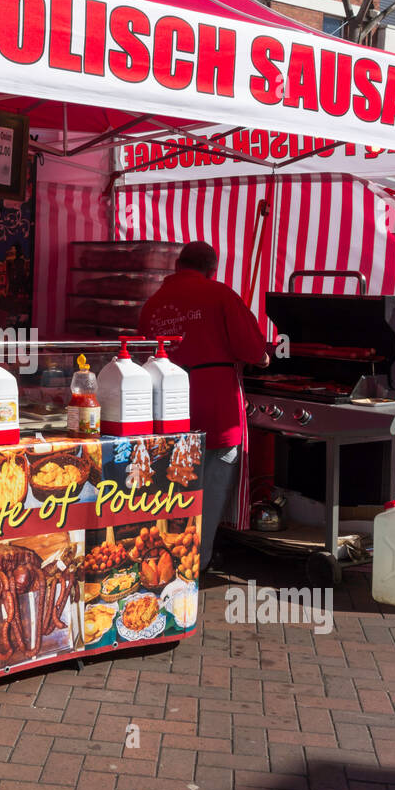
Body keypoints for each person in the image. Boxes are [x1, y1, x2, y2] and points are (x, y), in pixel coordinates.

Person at [139, 241, 269, 573]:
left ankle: (167, 557)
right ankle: (199, 561)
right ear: (212, 269)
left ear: (179, 265)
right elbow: (252, 348)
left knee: (172, 486)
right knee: (210, 487)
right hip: (214, 404)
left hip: (166, 407)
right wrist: (262, 357)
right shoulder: (221, 294)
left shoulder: (153, 303)